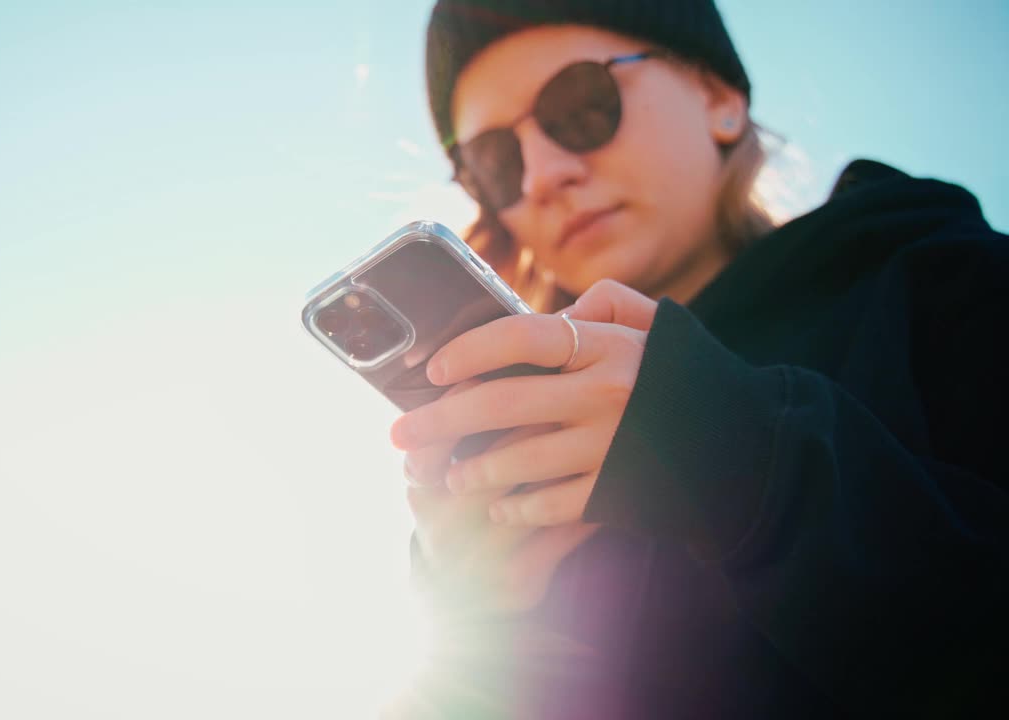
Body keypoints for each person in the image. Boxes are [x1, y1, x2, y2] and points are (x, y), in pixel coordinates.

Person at [390, 1, 1009, 717]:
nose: (541, 176)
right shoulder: (534, 459)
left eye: (581, 104)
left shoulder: (941, 279)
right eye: (496, 162)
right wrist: (476, 628)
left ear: (718, 98)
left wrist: (744, 458)